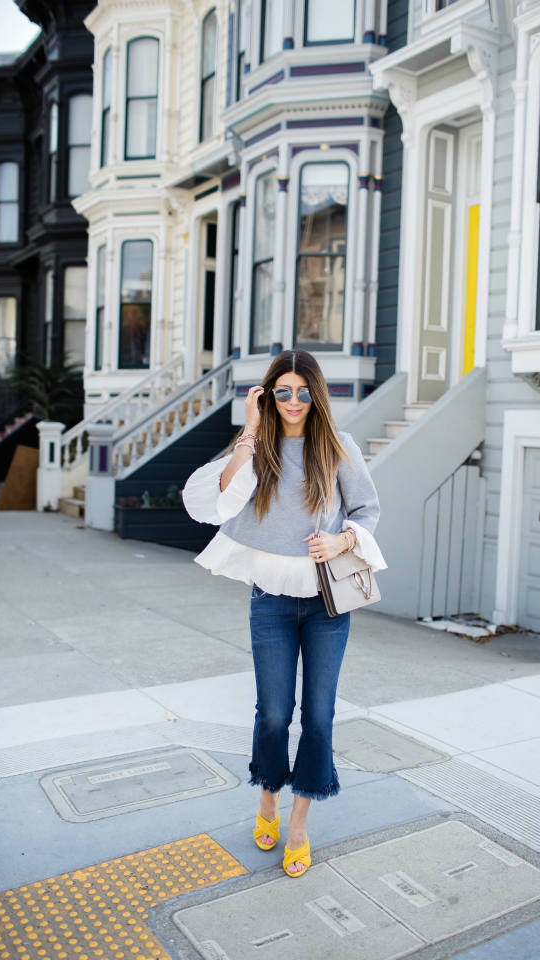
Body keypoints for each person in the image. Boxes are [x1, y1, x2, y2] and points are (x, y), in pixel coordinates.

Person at [182, 349, 385, 878]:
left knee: (318, 717)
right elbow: (222, 501)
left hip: (326, 603)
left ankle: (298, 824)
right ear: (268, 395)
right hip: (270, 601)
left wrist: (342, 538)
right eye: (282, 392)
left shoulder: (340, 448)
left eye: (302, 391)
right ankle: (267, 799)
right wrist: (249, 430)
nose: (293, 401)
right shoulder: (258, 448)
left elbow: (367, 510)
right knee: (273, 714)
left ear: (316, 394)